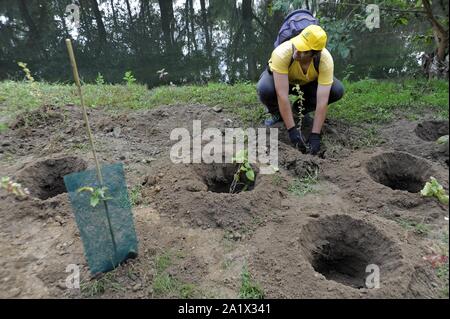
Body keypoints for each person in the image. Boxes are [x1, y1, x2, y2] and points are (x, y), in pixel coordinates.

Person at [256, 24, 344, 155]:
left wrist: (315, 135)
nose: (297, 51)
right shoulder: (282, 53)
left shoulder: (325, 60)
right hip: (282, 80)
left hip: (308, 84)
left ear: (315, 54)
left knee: (336, 90)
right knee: (265, 89)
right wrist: (292, 130)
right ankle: (277, 113)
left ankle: (299, 110)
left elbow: (322, 101)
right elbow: (282, 95)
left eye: (303, 50)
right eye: (298, 45)